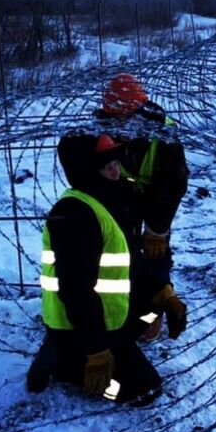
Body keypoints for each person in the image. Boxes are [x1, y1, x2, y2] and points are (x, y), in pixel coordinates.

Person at [26, 133, 162, 406]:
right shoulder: (76, 214)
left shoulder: (110, 199)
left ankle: (96, 348)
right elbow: (76, 291)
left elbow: (132, 262)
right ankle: (70, 368)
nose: (115, 172)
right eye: (106, 167)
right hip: (81, 325)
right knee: (143, 391)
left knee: (153, 311)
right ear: (87, 172)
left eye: (115, 163)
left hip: (110, 315)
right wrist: (97, 351)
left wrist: (161, 294)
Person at [95, 73, 189, 342]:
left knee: (154, 253)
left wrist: (157, 229)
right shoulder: (102, 126)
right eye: (113, 119)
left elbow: (174, 185)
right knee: (120, 256)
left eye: (122, 119)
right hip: (119, 199)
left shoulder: (164, 133)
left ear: (138, 111)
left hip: (155, 200)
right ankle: (120, 307)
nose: (117, 125)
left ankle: (154, 311)